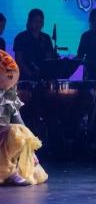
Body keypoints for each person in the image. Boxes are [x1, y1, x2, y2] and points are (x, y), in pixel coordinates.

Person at [0, 50, 47, 186]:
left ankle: (11, 171)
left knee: (18, 131)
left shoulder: (7, 94)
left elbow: (19, 123)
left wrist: (30, 150)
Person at [13, 9, 55, 81]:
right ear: (29, 22)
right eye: (35, 21)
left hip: (43, 77)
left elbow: (49, 58)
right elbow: (19, 59)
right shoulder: (21, 37)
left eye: (40, 21)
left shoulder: (46, 38)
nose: (38, 24)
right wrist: (29, 74)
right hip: (25, 77)